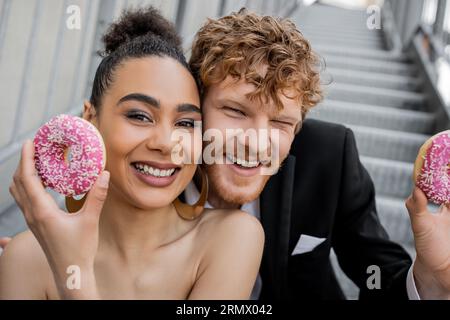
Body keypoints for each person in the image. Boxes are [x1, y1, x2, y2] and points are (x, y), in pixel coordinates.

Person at [183, 9, 450, 299]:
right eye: (235, 111)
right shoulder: (155, 169)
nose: (257, 145)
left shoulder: (329, 157)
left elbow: (376, 275)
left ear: (298, 127)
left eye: (280, 122)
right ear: (195, 105)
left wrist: (429, 279)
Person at [0, 7, 264, 300]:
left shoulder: (233, 239)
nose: (166, 143)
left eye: (186, 123)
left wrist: (71, 270)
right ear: (89, 119)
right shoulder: (25, 258)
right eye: (139, 116)